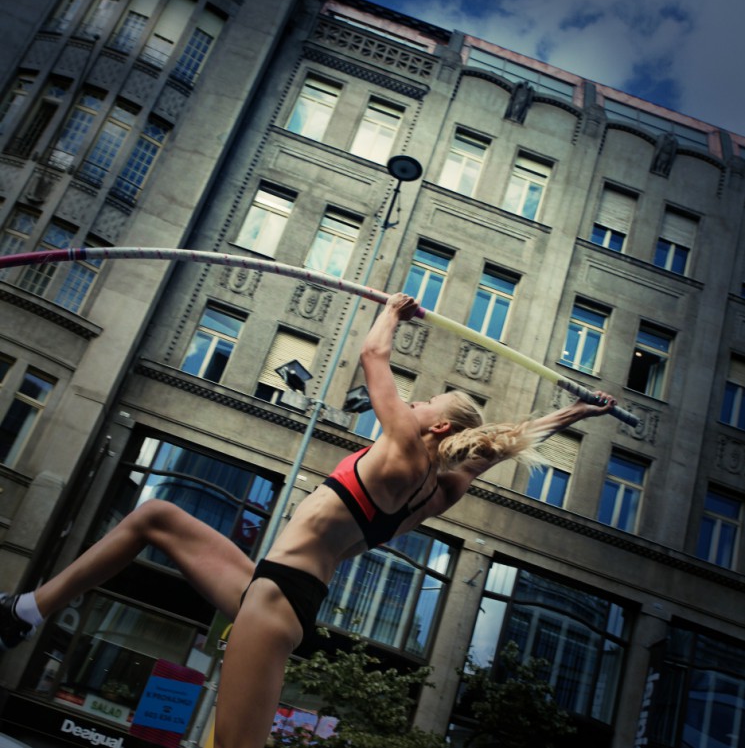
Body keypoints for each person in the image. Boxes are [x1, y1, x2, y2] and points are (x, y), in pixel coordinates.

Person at [0, 293, 617, 748]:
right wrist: (575, 412)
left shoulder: (405, 448)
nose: (412, 401)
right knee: (155, 516)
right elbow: (504, 443)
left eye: (424, 401)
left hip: (274, 602)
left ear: (436, 426)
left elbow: (373, 354)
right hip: (270, 589)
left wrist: (392, 312)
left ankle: (24, 614)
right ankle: (25, 612)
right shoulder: (441, 490)